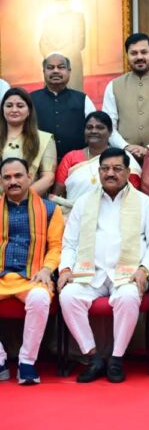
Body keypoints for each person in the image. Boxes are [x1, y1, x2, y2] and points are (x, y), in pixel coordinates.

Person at [58, 148, 149, 383]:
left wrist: (144, 269)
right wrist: (66, 269)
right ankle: (93, 357)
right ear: (99, 171)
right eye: (105, 168)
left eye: (117, 168)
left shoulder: (144, 203)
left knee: (128, 297)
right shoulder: (84, 202)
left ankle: (116, 359)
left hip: (127, 274)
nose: (110, 173)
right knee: (68, 296)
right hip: (89, 273)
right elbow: (70, 243)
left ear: (128, 172)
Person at [0, 158, 63, 384]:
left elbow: (56, 246)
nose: (13, 181)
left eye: (18, 176)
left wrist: (47, 269)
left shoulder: (50, 209)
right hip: (1, 275)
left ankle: (27, 361)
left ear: (29, 177)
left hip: (33, 275)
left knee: (39, 298)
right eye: (7, 177)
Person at [102, 33, 149, 159]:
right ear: (127, 55)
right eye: (134, 53)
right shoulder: (113, 86)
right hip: (123, 156)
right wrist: (126, 147)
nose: (139, 57)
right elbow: (109, 126)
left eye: (144, 52)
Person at [51, 111, 141, 214]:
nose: (93, 131)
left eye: (100, 127)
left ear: (110, 132)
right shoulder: (70, 157)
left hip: (113, 215)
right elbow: (57, 195)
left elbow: (133, 192)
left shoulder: (122, 157)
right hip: (74, 215)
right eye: (89, 127)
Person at [30, 53, 98, 162]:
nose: (55, 71)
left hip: (77, 163)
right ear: (44, 71)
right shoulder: (30, 99)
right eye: (50, 67)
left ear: (69, 71)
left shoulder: (82, 99)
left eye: (61, 67)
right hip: (39, 163)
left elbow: (96, 130)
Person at [0, 88, 57, 195]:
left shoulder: (44, 139)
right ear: (2, 110)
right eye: (9, 106)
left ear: (29, 111)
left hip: (29, 200)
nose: (14, 110)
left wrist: (19, 198)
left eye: (20, 106)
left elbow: (48, 178)